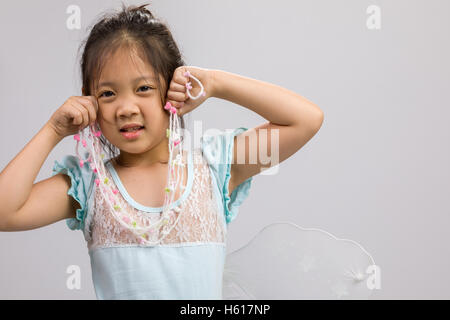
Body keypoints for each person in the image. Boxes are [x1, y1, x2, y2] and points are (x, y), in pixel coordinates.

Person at [0, 3, 324, 299]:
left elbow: (305, 120)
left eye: (143, 88)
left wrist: (213, 82)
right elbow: (5, 211)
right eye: (108, 93)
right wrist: (53, 130)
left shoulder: (213, 167)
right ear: (89, 99)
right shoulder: (90, 183)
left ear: (172, 88)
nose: (126, 108)